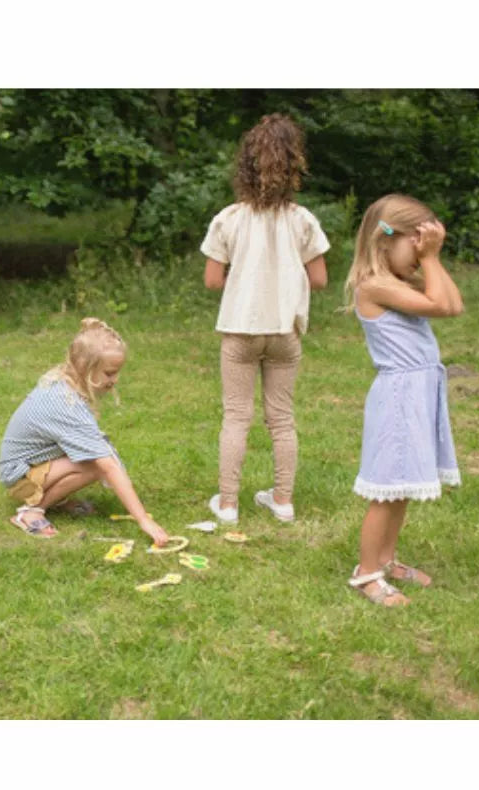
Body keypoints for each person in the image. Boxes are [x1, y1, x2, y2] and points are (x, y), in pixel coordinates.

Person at [200, 113, 330, 525]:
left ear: (246, 166)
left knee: (237, 417)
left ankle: (228, 504)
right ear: (294, 166)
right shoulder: (302, 220)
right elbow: (320, 279)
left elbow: (212, 280)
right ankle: (283, 500)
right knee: (282, 418)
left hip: (240, 329)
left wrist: (245, 281)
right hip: (284, 332)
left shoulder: (229, 218)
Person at [344, 194, 463, 606]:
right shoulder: (374, 286)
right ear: (384, 241)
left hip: (417, 394)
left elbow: (453, 304)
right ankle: (366, 573)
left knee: (403, 485)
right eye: (415, 250)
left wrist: (430, 258)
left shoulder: (397, 283)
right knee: (386, 490)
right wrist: (431, 259)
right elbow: (440, 305)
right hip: (398, 398)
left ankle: (387, 559)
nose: (419, 260)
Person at [0, 318, 170, 547]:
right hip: (18, 475)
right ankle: (31, 512)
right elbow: (107, 465)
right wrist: (143, 520)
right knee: (94, 466)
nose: (115, 380)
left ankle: (55, 499)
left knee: (96, 457)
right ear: (84, 367)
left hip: (31, 464)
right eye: (109, 373)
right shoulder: (66, 406)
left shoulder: (64, 382)